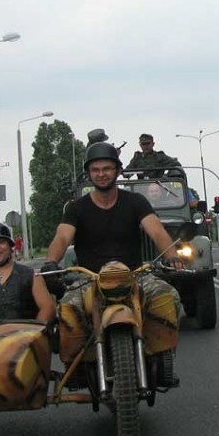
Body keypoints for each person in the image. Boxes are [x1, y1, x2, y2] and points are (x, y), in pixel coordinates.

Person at [42, 141, 184, 386]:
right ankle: (76, 366)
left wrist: (172, 255)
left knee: (168, 297)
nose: (101, 174)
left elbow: (156, 231)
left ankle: (160, 357)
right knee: (66, 311)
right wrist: (50, 262)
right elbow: (63, 236)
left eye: (107, 168)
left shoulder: (135, 202)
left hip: (133, 275)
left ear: (118, 171)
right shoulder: (77, 208)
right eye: (96, 169)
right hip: (91, 277)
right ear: (89, 174)